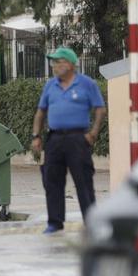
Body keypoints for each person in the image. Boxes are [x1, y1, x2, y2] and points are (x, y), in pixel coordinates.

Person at [30, 47, 105, 235]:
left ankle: (91, 222)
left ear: (70, 64)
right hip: (54, 138)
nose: (54, 66)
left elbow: (100, 109)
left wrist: (93, 133)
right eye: (53, 63)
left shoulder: (87, 84)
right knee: (52, 180)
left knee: (84, 181)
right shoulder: (50, 85)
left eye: (58, 62)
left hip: (78, 138)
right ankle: (55, 222)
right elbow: (41, 112)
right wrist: (36, 136)